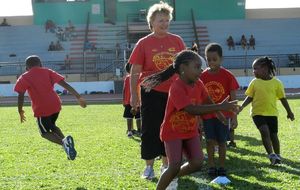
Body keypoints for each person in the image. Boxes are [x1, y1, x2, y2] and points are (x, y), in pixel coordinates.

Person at [142, 50, 240, 189]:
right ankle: (168, 177)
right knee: (174, 165)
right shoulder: (176, 87)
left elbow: (207, 100)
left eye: (201, 67)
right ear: (183, 68)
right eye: (197, 67)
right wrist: (220, 106)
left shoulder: (199, 83)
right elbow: (191, 109)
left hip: (190, 131)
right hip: (173, 131)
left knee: (197, 163)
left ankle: (171, 176)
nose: (201, 70)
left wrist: (220, 115)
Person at [129, 1, 186, 180]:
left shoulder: (177, 40)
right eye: (160, 20)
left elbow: (185, 67)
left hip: (173, 93)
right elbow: (135, 71)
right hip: (150, 92)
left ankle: (165, 165)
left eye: (167, 20)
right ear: (151, 22)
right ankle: (148, 167)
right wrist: (133, 95)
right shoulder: (143, 43)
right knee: (150, 129)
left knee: (170, 129)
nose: (164, 23)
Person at [14, 55, 87, 160]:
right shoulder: (48, 72)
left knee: (44, 133)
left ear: (26, 68)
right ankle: (68, 147)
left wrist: (20, 110)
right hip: (55, 105)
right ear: (41, 64)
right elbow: (65, 84)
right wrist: (78, 97)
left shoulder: (24, 77)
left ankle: (64, 143)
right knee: (52, 126)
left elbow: (20, 95)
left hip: (42, 108)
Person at [239, 56, 294, 165]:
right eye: (253, 69)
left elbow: (282, 98)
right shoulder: (254, 82)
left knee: (273, 135)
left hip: (272, 114)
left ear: (265, 68)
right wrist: (241, 107)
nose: (253, 71)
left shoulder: (277, 83)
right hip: (257, 113)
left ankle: (278, 155)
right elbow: (250, 97)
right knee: (264, 131)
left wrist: (289, 112)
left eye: (256, 68)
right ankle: (271, 155)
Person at [200, 43, 239, 177]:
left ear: (221, 59)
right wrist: (199, 117)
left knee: (222, 142)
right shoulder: (202, 77)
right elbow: (200, 98)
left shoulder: (228, 76)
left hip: (224, 115)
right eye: (208, 59)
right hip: (207, 115)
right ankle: (211, 165)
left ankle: (222, 166)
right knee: (209, 141)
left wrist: (234, 116)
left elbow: (233, 97)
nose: (211, 62)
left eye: (214, 59)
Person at [123, 62, 141, 138]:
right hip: (133, 101)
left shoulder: (136, 77)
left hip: (133, 101)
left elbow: (125, 89)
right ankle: (135, 130)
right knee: (134, 117)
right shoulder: (130, 78)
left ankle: (134, 130)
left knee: (134, 117)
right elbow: (125, 90)